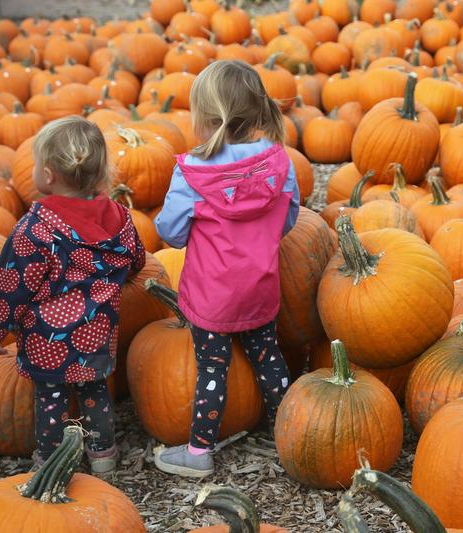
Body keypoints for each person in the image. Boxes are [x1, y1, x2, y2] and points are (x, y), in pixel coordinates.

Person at [153, 60, 300, 478]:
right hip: (261, 288)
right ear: (256, 111)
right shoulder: (279, 162)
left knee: (212, 370)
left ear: (204, 117)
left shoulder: (192, 171)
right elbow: (289, 218)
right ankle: (289, 436)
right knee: (268, 358)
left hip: (211, 296)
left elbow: (171, 233)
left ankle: (199, 451)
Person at [0, 116, 145, 473]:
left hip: (48, 338)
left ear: (48, 175)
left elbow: (12, 283)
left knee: (51, 398)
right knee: (94, 391)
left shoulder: (36, 228)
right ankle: (103, 455)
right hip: (98, 331)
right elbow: (136, 260)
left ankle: (51, 461)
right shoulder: (119, 218)